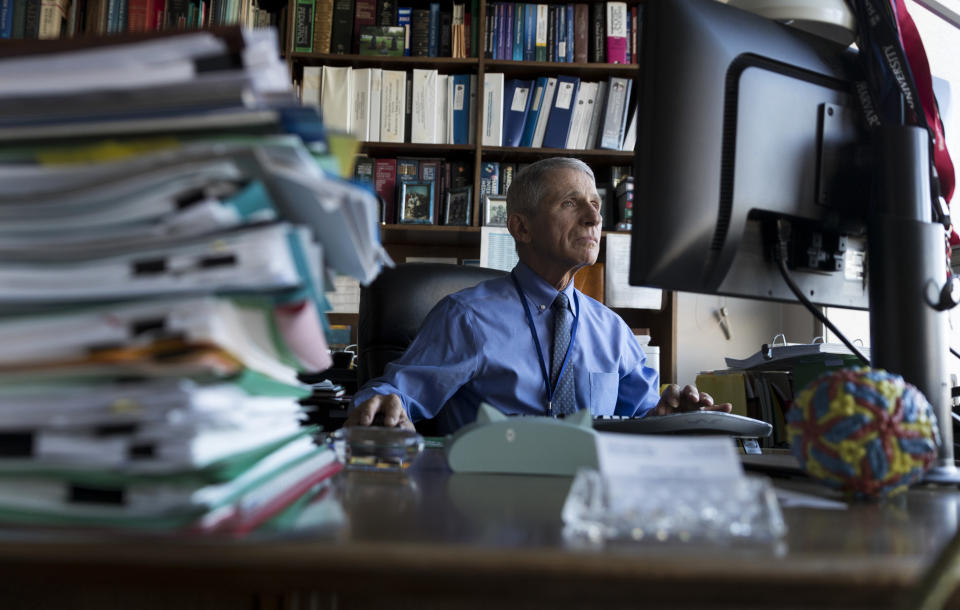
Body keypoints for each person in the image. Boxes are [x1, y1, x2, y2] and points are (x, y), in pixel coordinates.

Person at [347, 157, 731, 432]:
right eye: (570, 203)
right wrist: (382, 402)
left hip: (590, 509)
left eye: (595, 205)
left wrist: (671, 415)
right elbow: (394, 392)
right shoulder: (467, 317)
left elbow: (645, 417)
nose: (594, 218)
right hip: (488, 513)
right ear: (522, 228)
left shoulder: (613, 331)